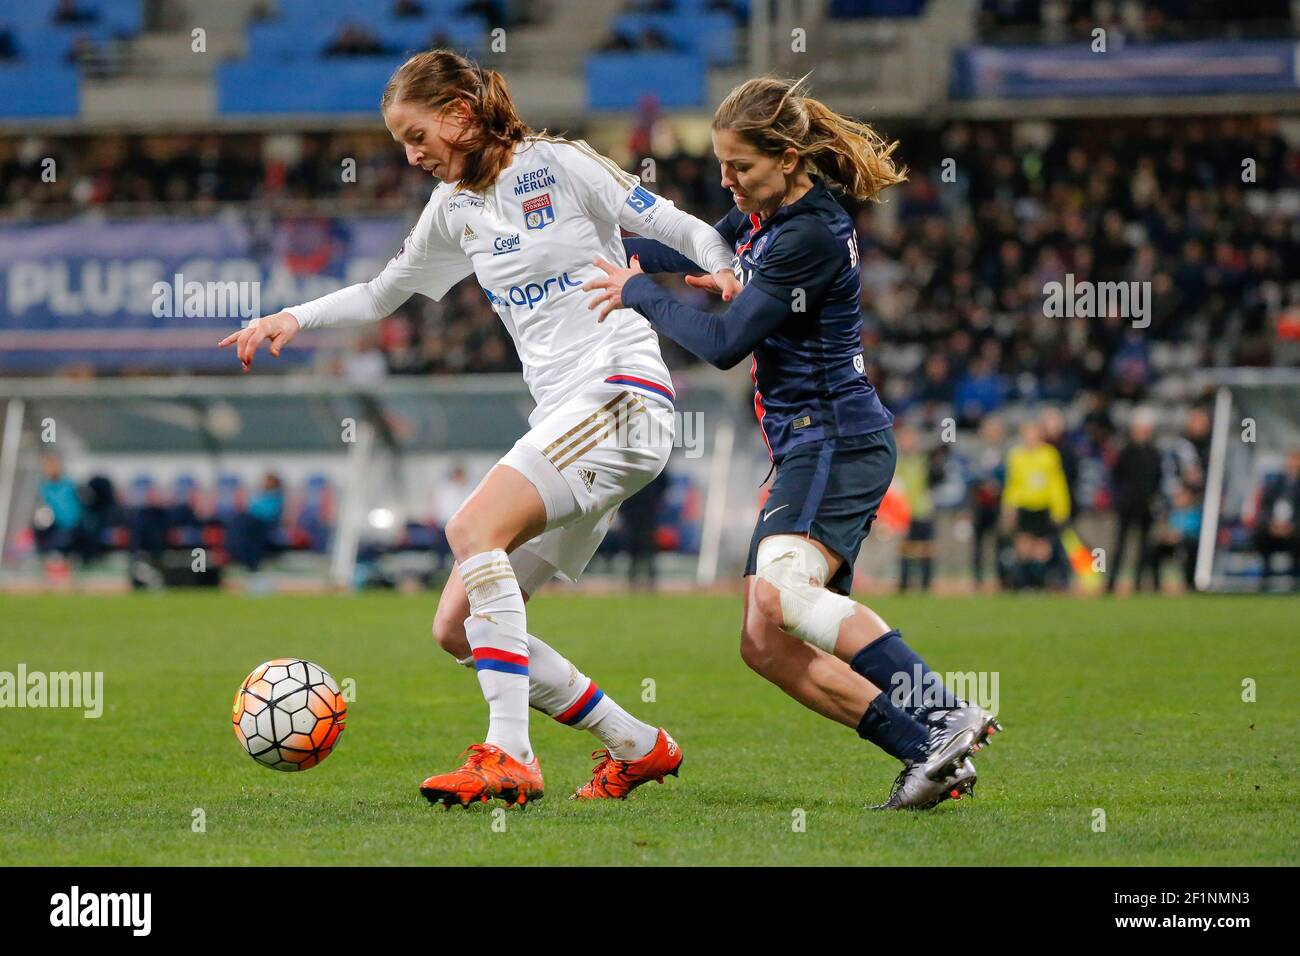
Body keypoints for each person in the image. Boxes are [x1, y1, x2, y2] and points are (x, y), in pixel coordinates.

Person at [220, 50, 739, 807]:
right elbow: (380, 293)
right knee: (459, 627)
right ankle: (638, 746)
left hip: (621, 397)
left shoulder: (558, 165)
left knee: (471, 530)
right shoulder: (455, 208)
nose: (412, 153)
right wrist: (291, 317)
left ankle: (509, 754)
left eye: (416, 133)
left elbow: (674, 225)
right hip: (570, 416)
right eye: (401, 142)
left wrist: (727, 267)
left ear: (460, 114)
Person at [584, 75, 997, 810]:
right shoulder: (762, 219)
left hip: (834, 436)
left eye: (739, 166)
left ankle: (941, 713)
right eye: (721, 165)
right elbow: (690, 250)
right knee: (765, 642)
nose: (727, 180)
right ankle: (928, 756)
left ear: (787, 156)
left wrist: (637, 291)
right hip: (806, 444)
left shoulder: (806, 233)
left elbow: (722, 343)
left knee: (784, 595)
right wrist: (578, 249)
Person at [1000, 419, 1070, 590]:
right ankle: (1025, 584)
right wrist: (1008, 507)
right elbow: (1012, 484)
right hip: (1024, 506)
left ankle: (1040, 583)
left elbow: (1057, 484)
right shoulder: (1016, 455)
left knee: (1042, 550)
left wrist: (1060, 508)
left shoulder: (1049, 455)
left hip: (1043, 507)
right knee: (1023, 549)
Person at [1108, 409, 1163, 593]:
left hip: (1145, 507)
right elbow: (1116, 478)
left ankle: (1139, 584)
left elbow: (1157, 479)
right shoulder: (1126, 452)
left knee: (1144, 548)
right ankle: (1111, 583)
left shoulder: (1154, 453)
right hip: (1127, 506)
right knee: (1120, 545)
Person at [1252, 448, 1300, 591]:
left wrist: (1292, 526)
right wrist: (1271, 525)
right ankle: (1265, 575)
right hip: (1272, 528)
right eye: (1292, 459)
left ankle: (1295, 577)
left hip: (1294, 530)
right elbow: (1264, 509)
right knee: (1260, 534)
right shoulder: (1275, 483)